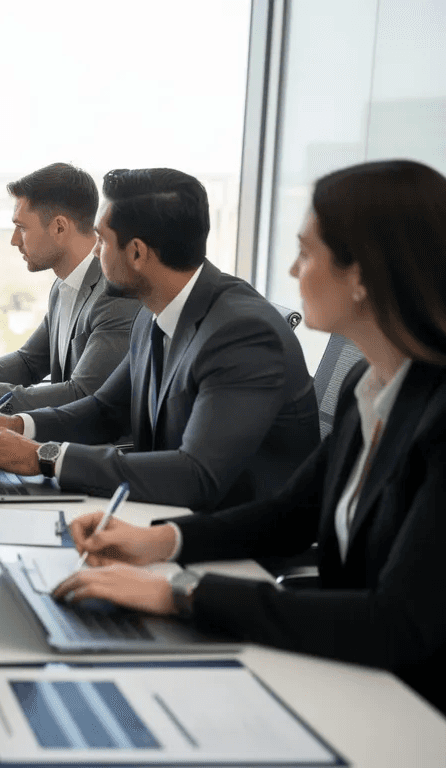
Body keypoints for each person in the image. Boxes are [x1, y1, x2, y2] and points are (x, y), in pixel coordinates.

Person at [53, 159, 446, 713]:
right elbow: (289, 514)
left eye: (306, 253)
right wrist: (161, 542)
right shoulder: (371, 382)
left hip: (411, 713)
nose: (291, 270)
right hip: (351, 676)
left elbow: (397, 622)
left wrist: (182, 594)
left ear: (363, 275)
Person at [0, 168, 319, 511]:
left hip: (230, 542)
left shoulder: (243, 333)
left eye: (101, 239)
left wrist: (44, 456)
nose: (95, 251)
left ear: (137, 253)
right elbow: (105, 410)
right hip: (160, 514)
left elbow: (196, 475)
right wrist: (18, 425)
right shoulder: (152, 310)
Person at [0, 163, 139, 409]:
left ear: (59, 227)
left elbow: (83, 394)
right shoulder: (63, 286)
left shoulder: (114, 295)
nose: (13, 240)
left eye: (21, 227)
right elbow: (29, 362)